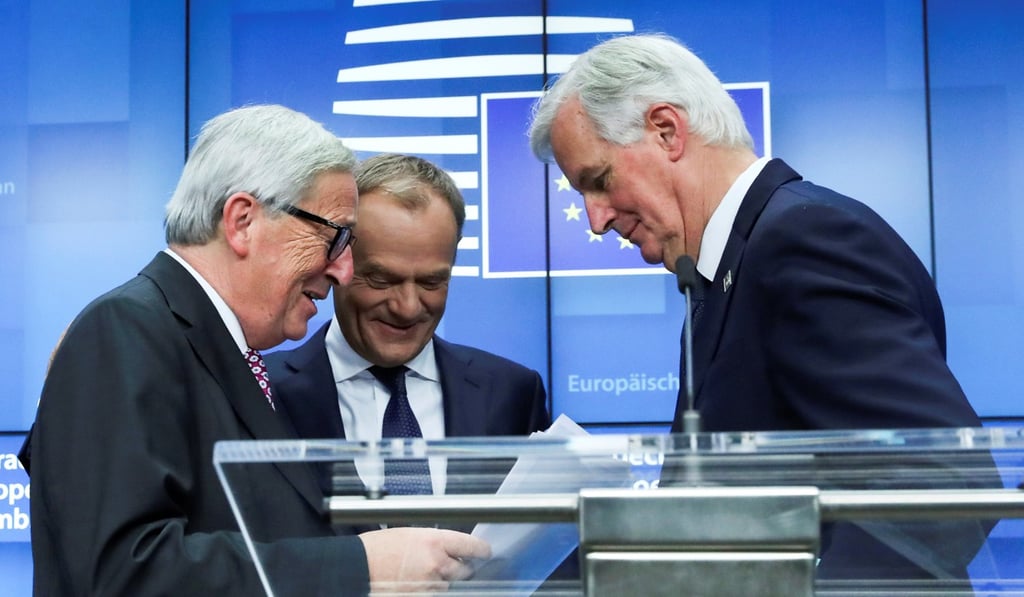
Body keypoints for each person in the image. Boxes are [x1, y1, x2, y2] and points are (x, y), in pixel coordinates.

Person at [528, 34, 991, 581]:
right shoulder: (723, 269)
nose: (595, 220)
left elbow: (942, 480)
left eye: (598, 181)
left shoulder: (803, 240)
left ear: (666, 130)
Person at [21, 105, 489, 596]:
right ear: (242, 221)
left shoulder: (219, 351)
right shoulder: (127, 328)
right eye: (335, 237)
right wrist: (363, 565)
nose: (344, 270)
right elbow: (123, 574)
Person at [265, 153, 550, 500]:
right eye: (382, 279)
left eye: (432, 282)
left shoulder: (513, 393)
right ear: (337, 263)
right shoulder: (260, 393)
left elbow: (548, 540)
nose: (408, 307)